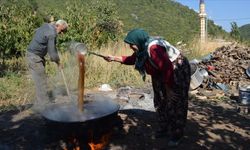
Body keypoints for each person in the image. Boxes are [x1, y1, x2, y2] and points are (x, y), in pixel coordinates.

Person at [104, 29, 191, 147]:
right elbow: (133, 59)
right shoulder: (142, 49)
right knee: (160, 100)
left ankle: (177, 134)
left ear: (138, 41)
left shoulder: (153, 49)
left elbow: (168, 68)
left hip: (176, 69)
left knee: (175, 101)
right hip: (160, 71)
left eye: (131, 44)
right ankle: (163, 128)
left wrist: (169, 89)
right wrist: (114, 58)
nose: (130, 46)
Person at [26, 19, 68, 112]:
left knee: (40, 80)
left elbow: (52, 46)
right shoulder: (52, 33)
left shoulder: (47, 25)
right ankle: (44, 107)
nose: (61, 34)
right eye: (62, 31)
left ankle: (39, 104)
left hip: (35, 56)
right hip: (34, 57)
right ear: (58, 26)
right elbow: (52, 53)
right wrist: (58, 63)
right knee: (41, 80)